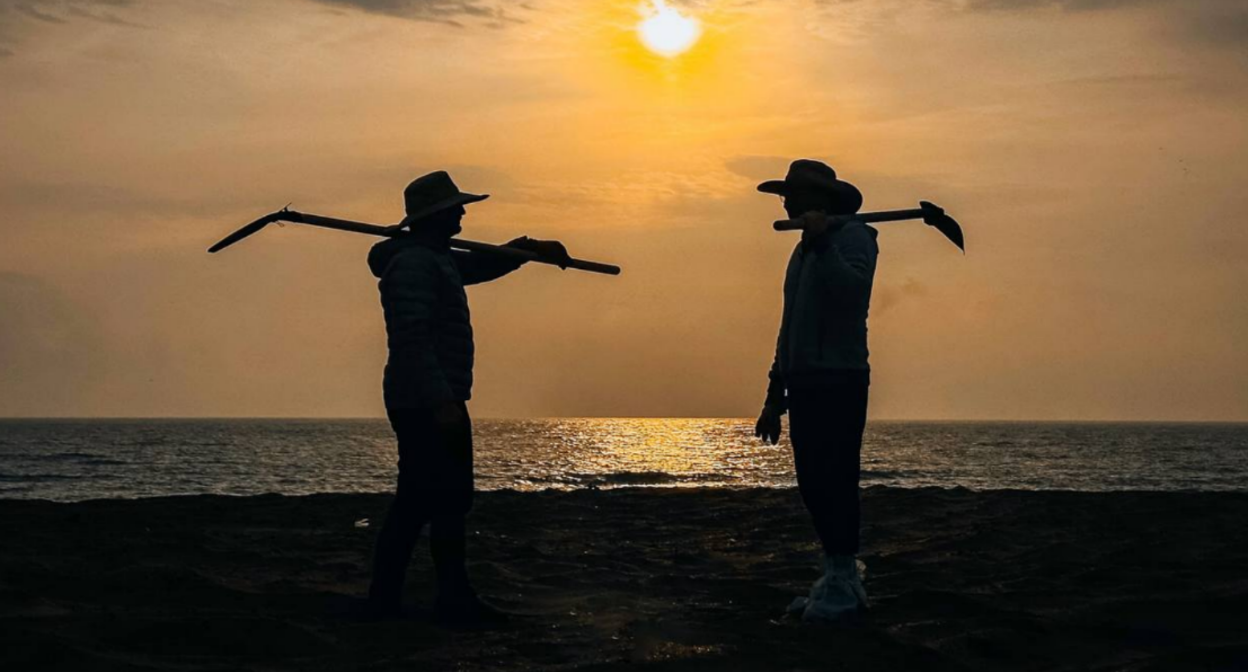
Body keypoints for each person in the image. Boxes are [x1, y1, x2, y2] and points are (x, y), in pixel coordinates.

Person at [365, 170, 569, 626]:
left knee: (439, 500)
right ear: (435, 215)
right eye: (456, 206)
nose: (462, 211)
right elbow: (411, 338)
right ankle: (418, 601)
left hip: (435, 395)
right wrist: (440, 400)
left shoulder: (434, 257)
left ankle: (432, 598)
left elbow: (478, 266)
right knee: (426, 501)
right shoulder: (415, 264)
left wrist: (529, 249)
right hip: (425, 400)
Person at [753, 159, 879, 623]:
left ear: (816, 200)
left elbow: (852, 293)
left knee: (836, 480)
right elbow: (790, 326)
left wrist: (823, 240)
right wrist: (774, 393)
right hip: (804, 380)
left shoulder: (854, 238)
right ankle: (835, 571)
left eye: (790, 194)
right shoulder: (803, 250)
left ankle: (846, 579)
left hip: (840, 378)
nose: (784, 202)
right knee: (812, 485)